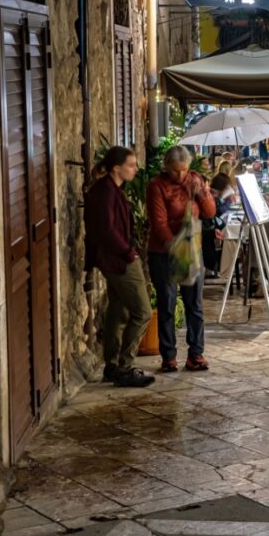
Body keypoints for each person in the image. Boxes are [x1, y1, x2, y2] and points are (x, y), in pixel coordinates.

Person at [84, 147, 155, 387]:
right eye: (131, 165)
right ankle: (124, 366)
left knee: (117, 308)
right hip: (118, 259)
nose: (135, 169)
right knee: (142, 312)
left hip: (114, 258)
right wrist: (128, 252)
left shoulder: (111, 190)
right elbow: (107, 229)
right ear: (117, 168)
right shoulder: (105, 192)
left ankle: (112, 365)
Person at [147, 145, 215, 373]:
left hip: (192, 250)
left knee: (194, 304)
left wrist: (202, 193)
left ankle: (196, 353)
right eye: (175, 171)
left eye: (183, 170)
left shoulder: (194, 180)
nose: (180, 176)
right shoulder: (157, 186)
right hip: (164, 253)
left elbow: (210, 212)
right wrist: (175, 246)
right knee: (167, 303)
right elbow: (159, 223)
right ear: (166, 167)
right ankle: (168, 356)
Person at [202, 174, 235, 278]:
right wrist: (227, 198)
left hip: (214, 228)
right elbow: (220, 211)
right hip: (213, 230)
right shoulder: (213, 196)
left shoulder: (213, 196)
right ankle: (228, 265)